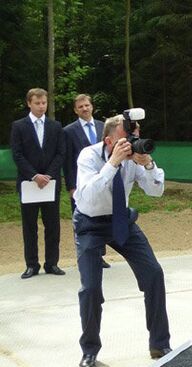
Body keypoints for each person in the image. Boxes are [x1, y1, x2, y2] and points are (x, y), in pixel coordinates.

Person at [73, 115, 171, 367]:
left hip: (121, 220)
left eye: (134, 137)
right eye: (125, 140)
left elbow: (156, 191)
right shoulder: (89, 156)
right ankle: (90, 350)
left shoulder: (134, 156)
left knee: (154, 274)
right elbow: (86, 197)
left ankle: (160, 344)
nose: (131, 143)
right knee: (91, 289)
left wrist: (147, 164)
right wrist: (113, 164)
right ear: (108, 141)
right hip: (90, 223)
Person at [10, 88, 66, 279]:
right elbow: (17, 154)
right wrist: (34, 176)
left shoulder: (55, 126)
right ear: (29, 103)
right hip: (29, 184)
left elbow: (60, 153)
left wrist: (48, 175)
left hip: (50, 184)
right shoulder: (19, 126)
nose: (41, 106)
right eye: (37, 103)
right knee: (29, 226)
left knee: (52, 225)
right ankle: (31, 265)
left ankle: (52, 263)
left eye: (44, 103)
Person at [63, 94, 110, 269]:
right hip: (80, 183)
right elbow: (67, 161)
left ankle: (100, 255)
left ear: (92, 107)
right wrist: (71, 186)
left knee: (101, 216)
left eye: (87, 105)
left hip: (103, 181)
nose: (84, 108)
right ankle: (84, 255)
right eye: (80, 106)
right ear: (76, 110)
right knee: (82, 219)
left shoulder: (103, 127)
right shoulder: (68, 131)